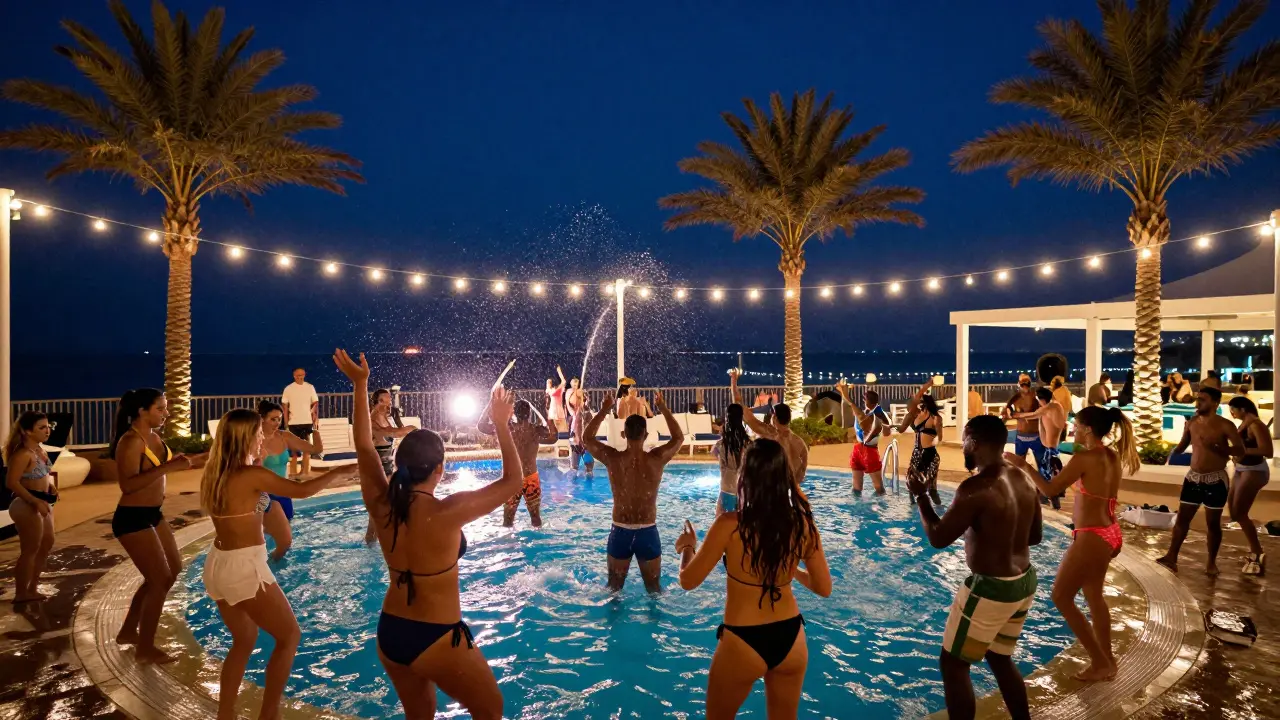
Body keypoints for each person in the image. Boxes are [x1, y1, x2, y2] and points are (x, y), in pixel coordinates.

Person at [335, 350, 520, 720]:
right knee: (492, 710)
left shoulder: (381, 503)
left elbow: (364, 445)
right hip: (435, 635)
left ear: (401, 465)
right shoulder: (447, 512)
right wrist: (501, 423)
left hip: (390, 632)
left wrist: (359, 384)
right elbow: (514, 482)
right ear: (440, 468)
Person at [200, 409, 355, 720]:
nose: (263, 438)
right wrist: (339, 472)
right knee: (290, 637)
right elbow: (303, 490)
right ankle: (269, 714)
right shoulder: (251, 476)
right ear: (246, 437)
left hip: (219, 566)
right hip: (245, 569)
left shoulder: (219, 472)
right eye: (258, 433)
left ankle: (225, 714)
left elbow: (254, 508)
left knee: (243, 641)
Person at [675, 439, 832, 718]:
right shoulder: (802, 524)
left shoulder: (730, 525)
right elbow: (823, 588)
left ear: (745, 476)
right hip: (792, 637)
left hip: (742, 640)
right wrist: (789, 569)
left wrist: (687, 547)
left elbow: (687, 580)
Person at [907, 414, 1042, 720]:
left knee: (953, 664)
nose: (963, 445)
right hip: (1024, 581)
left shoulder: (975, 488)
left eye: (965, 439)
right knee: (1000, 657)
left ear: (975, 443)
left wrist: (921, 496)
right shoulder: (1023, 478)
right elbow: (1034, 537)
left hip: (992, 587)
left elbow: (939, 538)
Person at [1015, 406, 1139, 682]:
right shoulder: (1110, 455)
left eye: (1078, 425)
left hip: (1092, 535)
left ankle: (1100, 661)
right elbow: (1093, 492)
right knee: (1094, 596)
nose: (1074, 429)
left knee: (1061, 597)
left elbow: (1049, 490)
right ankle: (1107, 661)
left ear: (1089, 430)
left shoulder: (1085, 458)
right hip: (1109, 532)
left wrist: (1024, 466)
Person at [107, 388, 207, 664]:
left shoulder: (154, 437)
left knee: (170, 571)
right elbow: (127, 485)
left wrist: (207, 457)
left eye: (165, 408)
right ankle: (145, 648)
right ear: (142, 411)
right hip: (132, 517)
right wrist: (167, 469)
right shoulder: (130, 442)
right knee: (159, 579)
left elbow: (170, 466)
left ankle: (129, 631)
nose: (166, 413)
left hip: (153, 513)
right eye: (160, 409)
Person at [583, 391, 684, 592]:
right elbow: (679, 438)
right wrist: (662, 408)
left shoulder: (613, 459)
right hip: (648, 531)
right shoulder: (657, 459)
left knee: (613, 590)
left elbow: (587, 438)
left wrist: (604, 409)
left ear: (624, 434)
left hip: (620, 530)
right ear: (645, 435)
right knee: (654, 590)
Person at [1157, 386, 1245, 575]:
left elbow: (1240, 450)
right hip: (1193, 478)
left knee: (1212, 523)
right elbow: (1182, 447)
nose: (1198, 403)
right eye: (1198, 399)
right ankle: (1171, 557)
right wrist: (1172, 446)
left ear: (1214, 403)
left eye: (1203, 400)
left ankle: (1211, 562)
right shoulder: (1193, 422)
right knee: (1182, 519)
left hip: (1216, 480)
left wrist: (1221, 450)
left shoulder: (1225, 425)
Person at [254, 401, 324, 561]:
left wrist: (315, 429)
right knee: (266, 540)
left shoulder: (284, 436)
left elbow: (316, 450)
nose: (277, 423)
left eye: (279, 419)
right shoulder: (254, 440)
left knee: (285, 542)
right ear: (262, 419)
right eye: (273, 419)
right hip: (264, 496)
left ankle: (277, 571)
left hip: (284, 494)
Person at [477, 397, 558, 528]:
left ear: (514, 413)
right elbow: (554, 438)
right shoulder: (536, 431)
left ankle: (508, 544)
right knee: (536, 519)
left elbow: (481, 426)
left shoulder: (507, 429)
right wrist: (549, 415)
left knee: (507, 521)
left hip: (511, 479)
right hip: (531, 478)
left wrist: (490, 404)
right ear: (529, 413)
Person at [4, 412, 57, 603]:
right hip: (27, 504)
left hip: (42, 503)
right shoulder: (22, 454)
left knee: (46, 544)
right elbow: (11, 482)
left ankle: (33, 587)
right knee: (30, 549)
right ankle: (21, 592)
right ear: (27, 431)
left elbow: (42, 475)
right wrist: (34, 501)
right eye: (41, 427)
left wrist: (49, 487)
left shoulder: (39, 451)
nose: (47, 430)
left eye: (48, 426)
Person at [733, 370, 808, 486]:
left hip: (771, 488)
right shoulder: (800, 443)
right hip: (789, 489)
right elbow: (802, 473)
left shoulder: (770, 433)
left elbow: (740, 407)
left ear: (775, 418)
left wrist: (733, 381)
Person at [1227, 396, 1271, 575]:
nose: (1231, 413)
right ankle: (1255, 550)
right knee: (1234, 511)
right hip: (1241, 469)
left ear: (1243, 409)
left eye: (1233, 409)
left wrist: (1240, 451)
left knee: (1240, 512)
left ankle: (1257, 552)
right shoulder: (1245, 423)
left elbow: (1267, 451)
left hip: (1255, 471)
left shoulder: (1255, 425)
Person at [1012, 387, 1068, 510]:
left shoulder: (1050, 407)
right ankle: (1049, 501)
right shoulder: (1054, 406)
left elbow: (1033, 414)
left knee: (1048, 478)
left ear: (1042, 399)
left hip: (1050, 450)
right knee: (1050, 476)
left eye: (1038, 400)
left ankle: (1049, 502)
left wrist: (1017, 415)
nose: (1038, 402)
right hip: (1051, 448)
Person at [835, 381, 891, 495]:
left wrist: (844, 392)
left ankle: (873, 507)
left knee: (877, 487)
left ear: (868, 401)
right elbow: (886, 433)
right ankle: (862, 508)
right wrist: (843, 392)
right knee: (859, 486)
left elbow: (853, 406)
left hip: (868, 451)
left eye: (865, 399)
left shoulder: (874, 414)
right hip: (861, 449)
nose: (863, 401)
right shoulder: (871, 412)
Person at [896, 382, 944, 505]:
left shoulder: (936, 418)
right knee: (911, 486)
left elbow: (940, 437)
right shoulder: (916, 415)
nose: (917, 402)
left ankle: (939, 512)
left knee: (932, 489)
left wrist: (936, 439)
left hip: (930, 454)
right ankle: (913, 511)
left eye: (920, 401)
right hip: (916, 453)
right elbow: (917, 396)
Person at [1003, 375, 1043, 493]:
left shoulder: (1037, 397)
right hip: (1021, 436)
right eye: (1022, 383)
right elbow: (1005, 413)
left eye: (1027, 382)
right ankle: (1020, 490)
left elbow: (1045, 411)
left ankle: (1044, 492)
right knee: (1019, 465)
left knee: (1042, 465)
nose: (1024, 385)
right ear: (1019, 384)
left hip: (1036, 436)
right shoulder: (1014, 399)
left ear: (1030, 383)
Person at [282, 368, 320, 477]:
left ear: (305, 375)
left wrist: (314, 416)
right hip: (293, 423)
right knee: (294, 452)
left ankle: (304, 472)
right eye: (298, 375)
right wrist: (286, 423)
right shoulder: (288, 389)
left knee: (307, 450)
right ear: (294, 376)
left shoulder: (310, 387)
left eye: (302, 375)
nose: (300, 377)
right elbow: (285, 408)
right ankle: (293, 473)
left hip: (307, 422)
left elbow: (315, 402)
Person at [713, 404, 750, 516]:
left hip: (727, 487)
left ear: (727, 418)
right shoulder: (748, 443)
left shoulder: (721, 444)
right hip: (743, 489)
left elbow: (714, 452)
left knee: (721, 526)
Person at [568, 398, 595, 476]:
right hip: (583, 444)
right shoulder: (584, 414)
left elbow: (574, 430)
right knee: (589, 469)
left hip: (576, 443)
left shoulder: (575, 416)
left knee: (574, 469)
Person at [545, 366, 568, 431]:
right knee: (555, 429)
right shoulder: (550, 390)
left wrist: (559, 372)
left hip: (558, 412)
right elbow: (563, 382)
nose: (548, 383)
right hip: (553, 412)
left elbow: (563, 381)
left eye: (549, 382)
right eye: (548, 382)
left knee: (562, 429)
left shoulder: (558, 390)